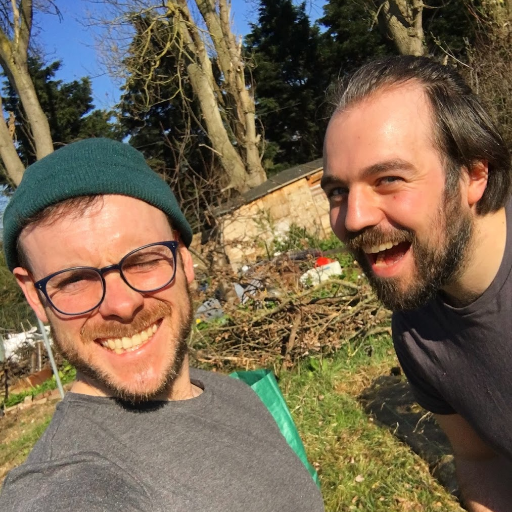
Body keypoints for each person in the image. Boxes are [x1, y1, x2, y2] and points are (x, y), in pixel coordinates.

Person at [0, 138, 324, 512]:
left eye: (142, 260)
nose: (122, 305)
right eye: (74, 280)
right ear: (35, 296)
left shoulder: (235, 395)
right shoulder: (62, 486)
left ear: (184, 259)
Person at [322, 55, 512, 512]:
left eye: (388, 179)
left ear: (473, 174)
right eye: (337, 192)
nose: (353, 218)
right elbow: (478, 457)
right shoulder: (415, 332)